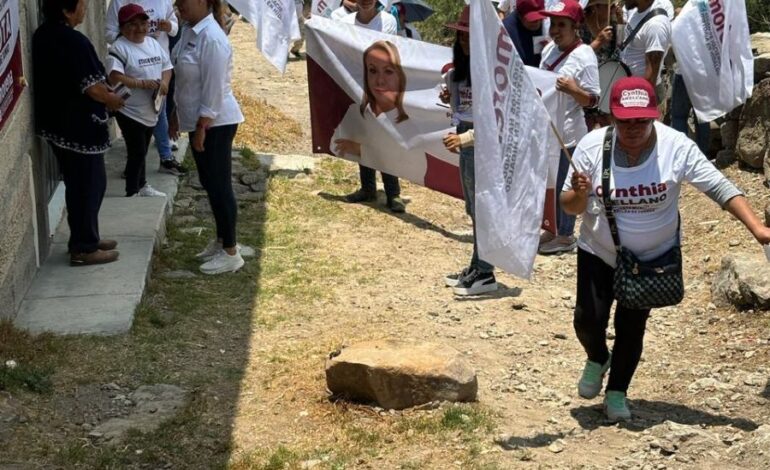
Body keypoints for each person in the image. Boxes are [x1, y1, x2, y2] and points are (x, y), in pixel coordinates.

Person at [561, 77, 770, 422]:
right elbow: (569, 206)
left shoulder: (676, 146)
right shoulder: (591, 146)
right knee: (587, 319)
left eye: (640, 120)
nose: (632, 128)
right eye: (624, 121)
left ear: (654, 115)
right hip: (599, 251)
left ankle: (617, 392)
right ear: (612, 117)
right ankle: (597, 356)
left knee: (632, 326)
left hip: (651, 258)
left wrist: (757, 229)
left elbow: (718, 187)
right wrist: (580, 192)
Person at [33, 0, 125, 266]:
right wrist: (112, 99)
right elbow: (91, 86)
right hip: (77, 128)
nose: (85, 9)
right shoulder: (72, 41)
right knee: (88, 186)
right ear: (65, 9)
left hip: (60, 125)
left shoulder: (45, 34)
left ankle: (87, 237)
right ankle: (84, 247)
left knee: (84, 185)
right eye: (81, 4)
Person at [170, 0, 245, 274]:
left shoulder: (213, 38)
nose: (178, 5)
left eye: (183, 0)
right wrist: (178, 117)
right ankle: (222, 239)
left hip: (216, 122)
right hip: (198, 120)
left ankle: (231, 252)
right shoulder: (191, 30)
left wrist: (202, 126)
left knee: (219, 185)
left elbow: (214, 89)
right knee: (209, 183)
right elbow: (185, 79)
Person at [441, 6, 498, 296]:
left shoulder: (489, 73)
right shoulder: (460, 72)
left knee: (482, 208)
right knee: (473, 207)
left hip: (480, 144)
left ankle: (486, 271)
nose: (464, 42)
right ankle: (478, 264)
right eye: (461, 37)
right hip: (467, 141)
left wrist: (466, 139)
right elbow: (460, 108)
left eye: (469, 37)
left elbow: (494, 121)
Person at [536, 0, 600, 255]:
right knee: (550, 180)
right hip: (547, 130)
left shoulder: (585, 55)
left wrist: (575, 91)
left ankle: (565, 235)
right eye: (552, 24)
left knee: (567, 182)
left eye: (561, 24)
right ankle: (552, 228)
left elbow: (594, 98)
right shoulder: (549, 50)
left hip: (570, 133)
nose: (555, 29)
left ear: (575, 27)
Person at [337, 0, 405, 212]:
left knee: (384, 137)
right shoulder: (345, 21)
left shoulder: (387, 21)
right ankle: (367, 188)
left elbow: (384, 52)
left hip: (381, 87)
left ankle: (393, 192)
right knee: (362, 135)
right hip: (355, 85)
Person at [106, 0, 188, 176]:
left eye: (144, 23)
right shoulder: (119, 3)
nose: (142, 27)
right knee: (135, 137)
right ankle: (134, 179)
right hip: (131, 81)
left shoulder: (162, 3)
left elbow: (175, 28)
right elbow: (109, 34)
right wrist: (133, 38)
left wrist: (168, 27)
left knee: (159, 113)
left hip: (157, 68)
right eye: (134, 24)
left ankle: (163, 159)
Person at [502, 0, 546, 68]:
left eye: (540, 18)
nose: (537, 22)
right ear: (519, 15)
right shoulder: (506, 33)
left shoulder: (546, 26)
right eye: (533, 19)